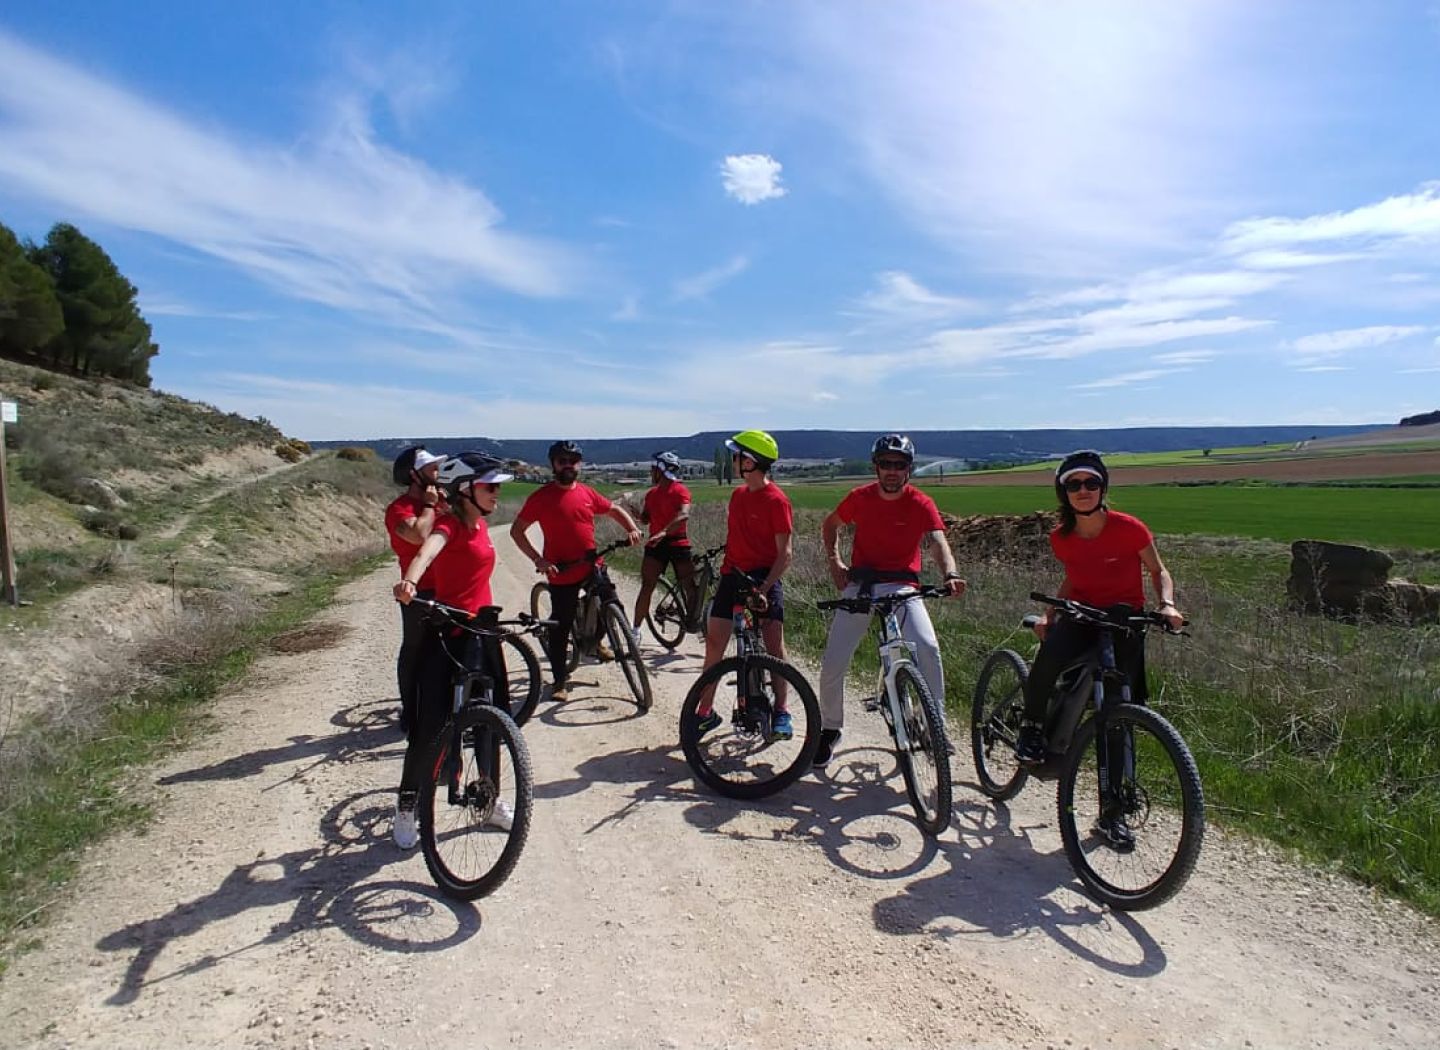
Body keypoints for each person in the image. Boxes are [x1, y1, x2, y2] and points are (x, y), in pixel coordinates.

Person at [1016, 449, 1185, 774]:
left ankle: (1116, 803)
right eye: (1074, 485)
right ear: (1064, 494)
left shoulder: (1130, 528)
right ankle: (1032, 729)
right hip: (1082, 614)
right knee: (1048, 658)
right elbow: (1075, 577)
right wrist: (1049, 615)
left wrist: (1167, 604)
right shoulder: (1061, 538)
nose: (1083, 490)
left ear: (1103, 488)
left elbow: (1158, 571)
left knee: (1118, 706)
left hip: (1124, 619)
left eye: (1091, 483)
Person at [816, 434, 967, 767]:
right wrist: (835, 562)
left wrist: (950, 574)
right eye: (886, 464)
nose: (892, 471)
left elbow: (938, 542)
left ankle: (934, 727)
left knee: (927, 649)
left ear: (909, 469)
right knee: (833, 663)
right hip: (863, 585)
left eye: (899, 465)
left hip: (902, 586)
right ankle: (829, 728)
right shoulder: (860, 497)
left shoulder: (920, 502)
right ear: (876, 467)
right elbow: (830, 525)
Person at [391, 451, 515, 850]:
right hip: (448, 630)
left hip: (481, 629)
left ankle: (488, 798)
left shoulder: (480, 526)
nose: (497, 493)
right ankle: (407, 806)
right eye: (489, 487)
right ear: (466, 489)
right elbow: (427, 552)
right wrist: (410, 582)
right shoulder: (448, 524)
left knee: (491, 723)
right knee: (430, 728)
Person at [510, 440, 641, 701]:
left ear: (578, 464)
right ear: (553, 464)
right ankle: (559, 680)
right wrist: (538, 559)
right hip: (561, 571)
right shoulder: (541, 497)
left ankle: (595, 642)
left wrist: (631, 528)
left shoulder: (587, 493)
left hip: (592, 564)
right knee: (561, 626)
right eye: (562, 461)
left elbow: (614, 509)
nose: (568, 465)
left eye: (573, 461)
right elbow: (517, 531)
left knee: (612, 605)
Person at [693, 429, 795, 739]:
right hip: (732, 576)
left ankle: (782, 712)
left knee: (774, 645)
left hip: (763, 577)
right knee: (714, 645)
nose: (733, 460)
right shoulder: (737, 496)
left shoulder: (777, 500)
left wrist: (763, 591)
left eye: (737, 456)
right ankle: (704, 713)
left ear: (750, 462)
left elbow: (785, 554)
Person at [384, 445, 446, 737]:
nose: (437, 472)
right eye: (431, 468)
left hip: (450, 586)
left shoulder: (442, 501)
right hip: (419, 590)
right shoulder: (399, 509)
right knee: (415, 649)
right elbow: (418, 535)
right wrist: (431, 506)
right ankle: (410, 710)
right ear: (414, 475)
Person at [632, 451, 699, 637]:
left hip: (675, 541)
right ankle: (635, 631)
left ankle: (693, 622)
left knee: (690, 587)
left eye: (653, 469)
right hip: (658, 543)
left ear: (661, 470)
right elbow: (646, 518)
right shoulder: (652, 494)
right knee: (647, 586)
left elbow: (684, 514)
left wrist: (663, 531)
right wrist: (637, 514)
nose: (651, 473)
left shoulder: (680, 490)